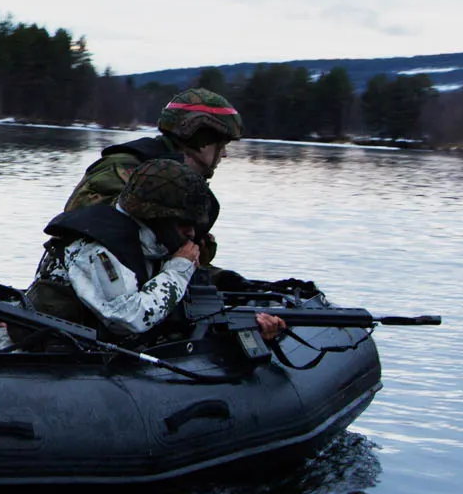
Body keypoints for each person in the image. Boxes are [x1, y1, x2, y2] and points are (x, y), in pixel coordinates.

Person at [26, 157, 285, 342]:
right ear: (156, 217)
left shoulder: (150, 245)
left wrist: (250, 324)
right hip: (48, 358)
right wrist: (179, 269)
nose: (191, 234)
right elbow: (127, 318)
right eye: (184, 224)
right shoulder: (96, 249)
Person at [63, 87, 241, 262]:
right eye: (221, 145)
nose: (224, 154)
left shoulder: (181, 180)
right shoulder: (122, 169)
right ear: (202, 139)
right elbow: (89, 233)